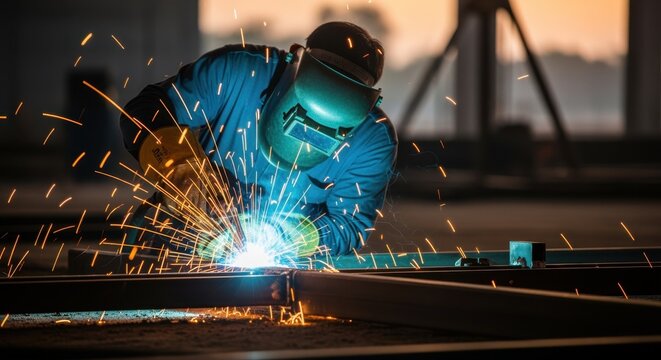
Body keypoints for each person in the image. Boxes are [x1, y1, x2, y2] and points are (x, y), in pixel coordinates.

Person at [119, 22, 397, 260]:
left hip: (281, 265)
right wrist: (182, 171)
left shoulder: (372, 140)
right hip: (180, 238)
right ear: (295, 60)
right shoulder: (237, 71)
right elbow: (145, 110)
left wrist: (289, 235)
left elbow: (348, 227)